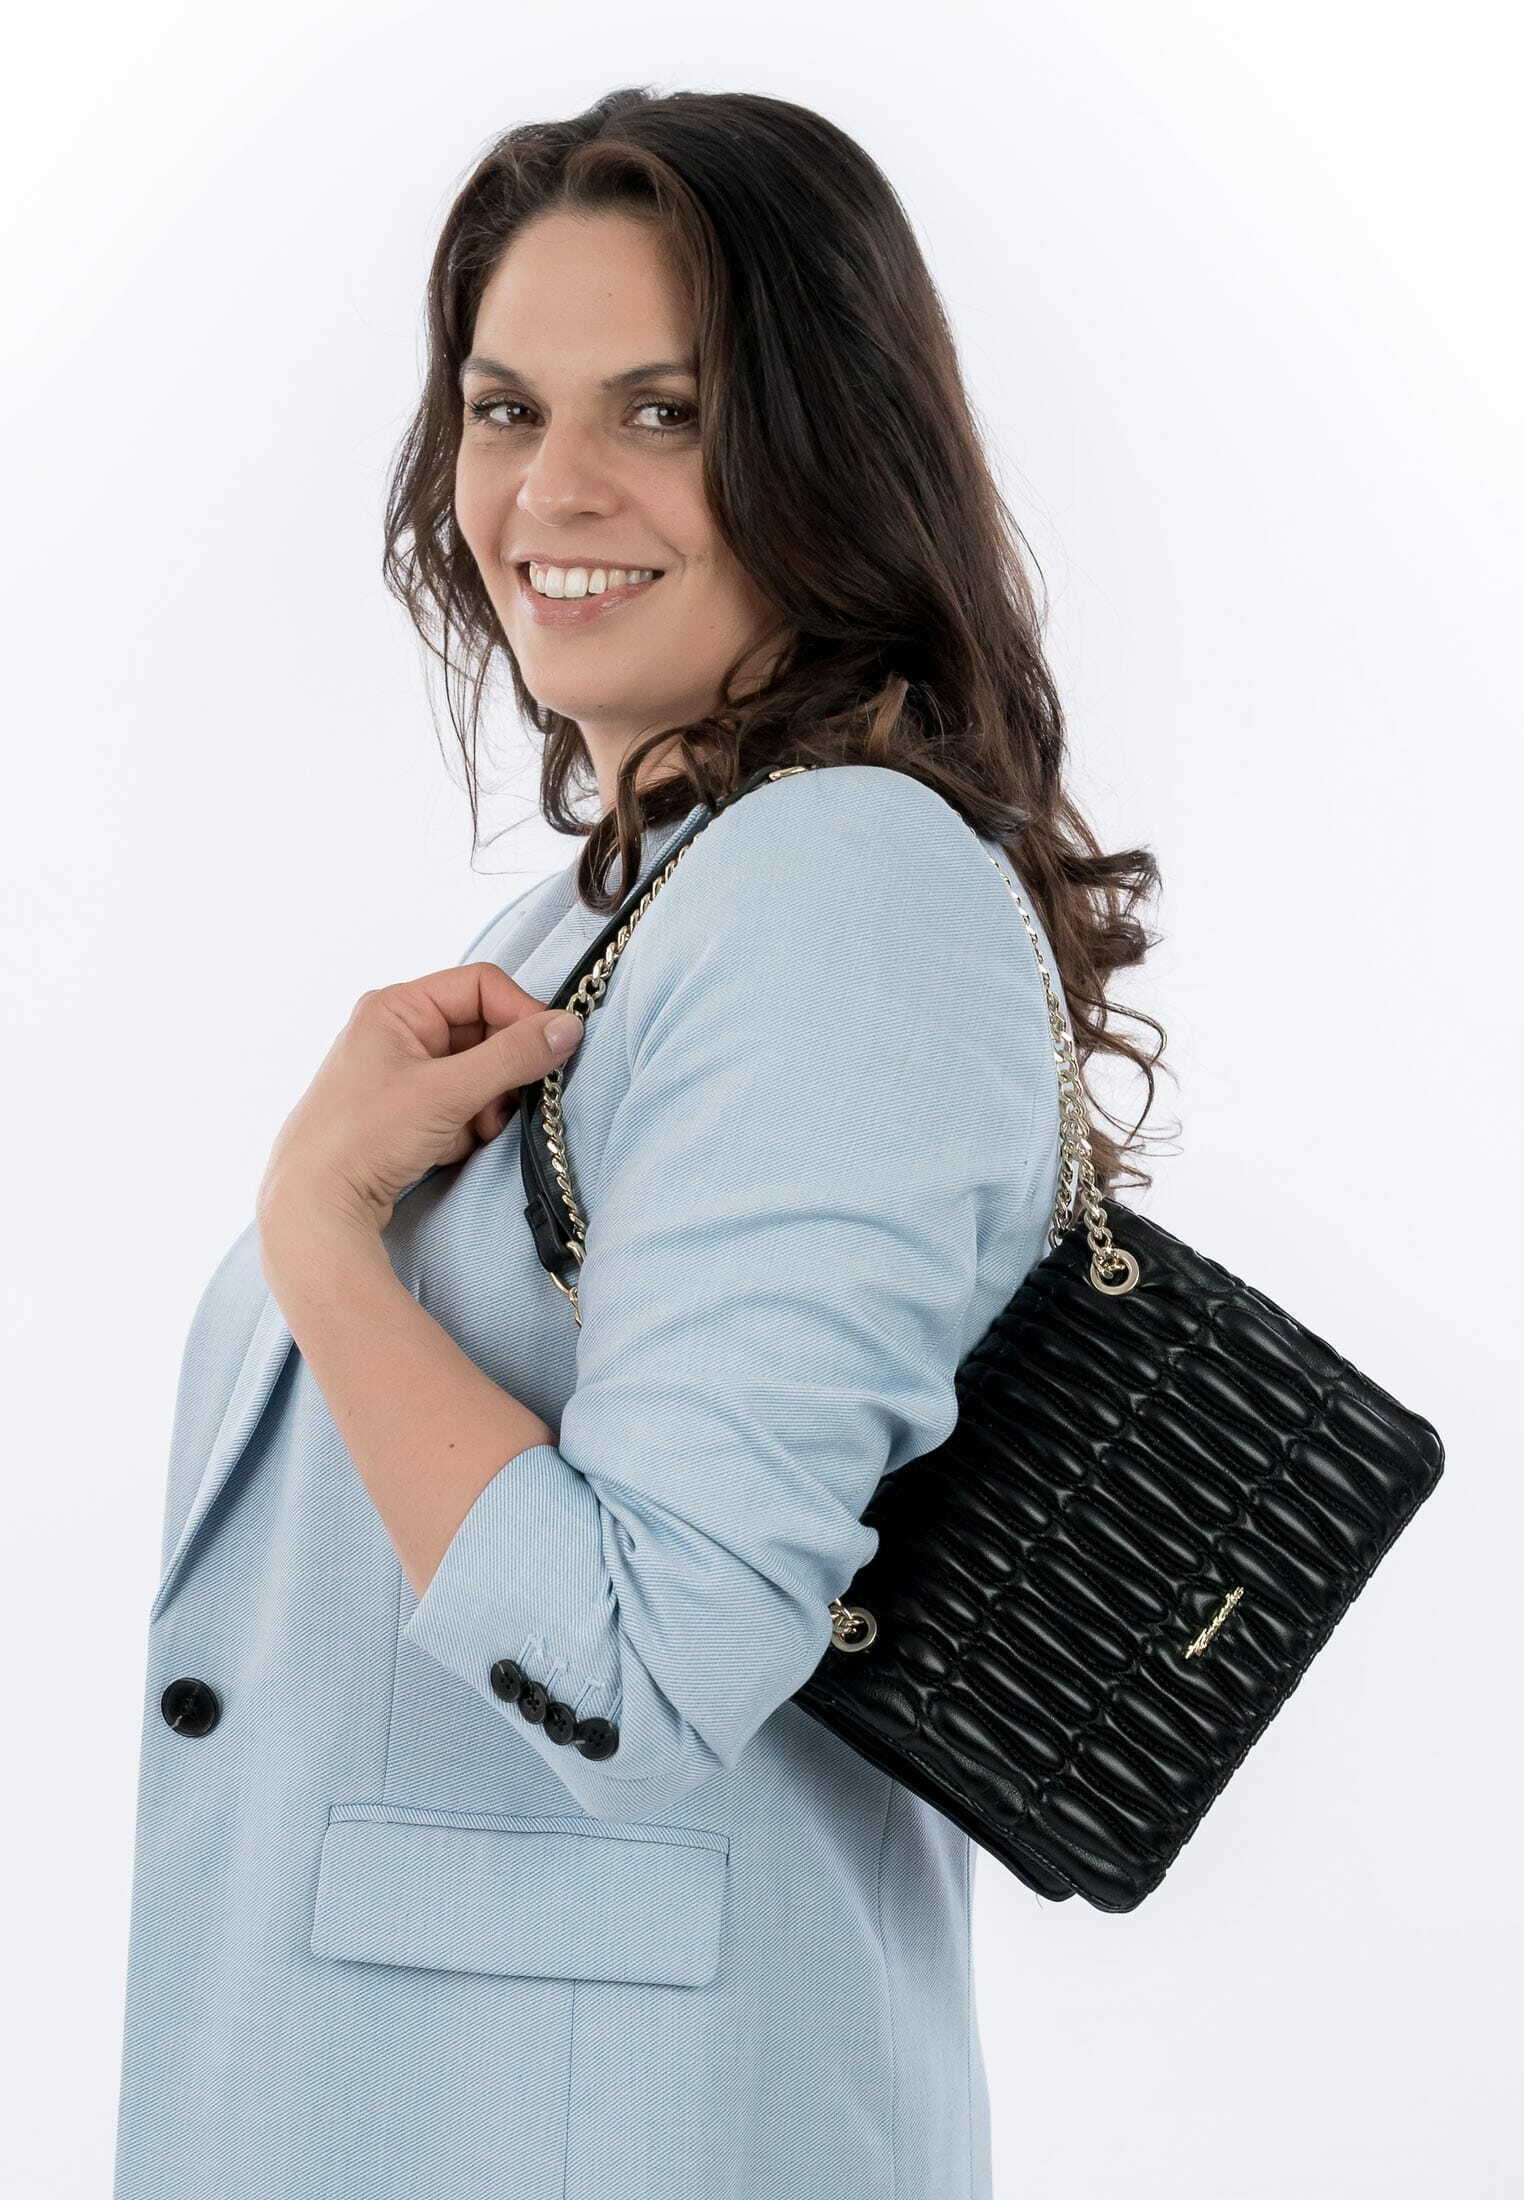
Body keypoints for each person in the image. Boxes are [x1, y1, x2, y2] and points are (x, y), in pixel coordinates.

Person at [113, 86, 1165, 2200]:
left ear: (827, 455)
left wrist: (325, 1238)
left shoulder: (842, 886)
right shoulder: (632, 902)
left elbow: (641, 1660)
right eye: (504, 408)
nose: (550, 490)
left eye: (663, 413)